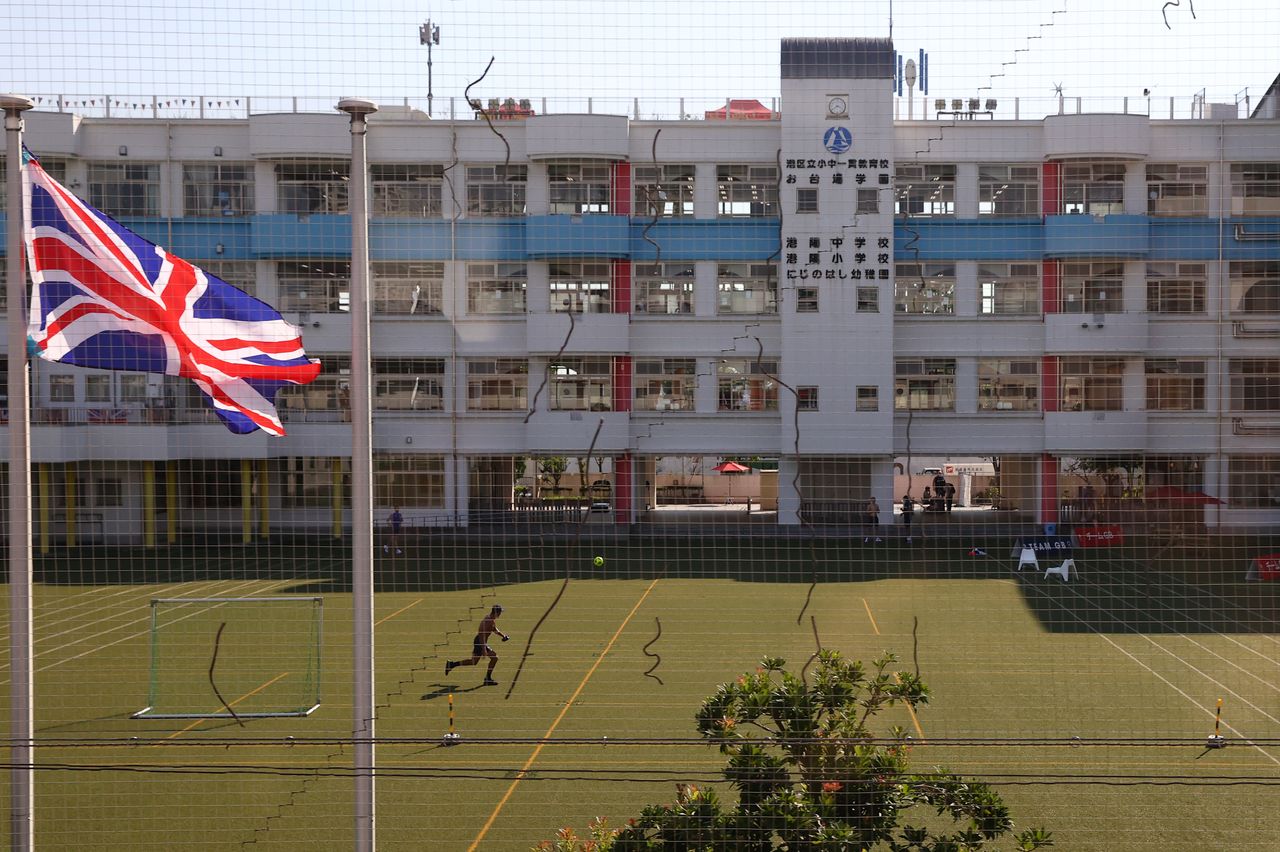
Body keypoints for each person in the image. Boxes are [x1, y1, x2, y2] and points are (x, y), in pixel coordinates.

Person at [445, 605, 510, 686]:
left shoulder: (490, 619)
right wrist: (484, 649)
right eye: (500, 612)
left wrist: (503, 635)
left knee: (473, 662)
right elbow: (482, 635)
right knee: (494, 658)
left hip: (479, 641)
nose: (500, 614)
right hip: (480, 642)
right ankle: (488, 679)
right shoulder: (489, 621)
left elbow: (494, 629)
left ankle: (451, 665)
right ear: (496, 613)